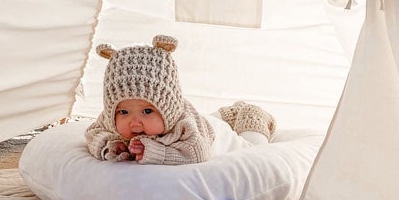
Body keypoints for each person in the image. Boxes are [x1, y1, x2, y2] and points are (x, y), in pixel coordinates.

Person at [85, 34, 276, 165]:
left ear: (167, 108)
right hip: (205, 119)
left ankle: (251, 113)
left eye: (147, 111)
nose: (134, 123)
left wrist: (153, 152)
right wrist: (110, 145)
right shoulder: (110, 117)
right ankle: (229, 113)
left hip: (218, 137)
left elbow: (197, 154)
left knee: (254, 149)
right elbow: (93, 133)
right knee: (212, 118)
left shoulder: (184, 125)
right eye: (124, 112)